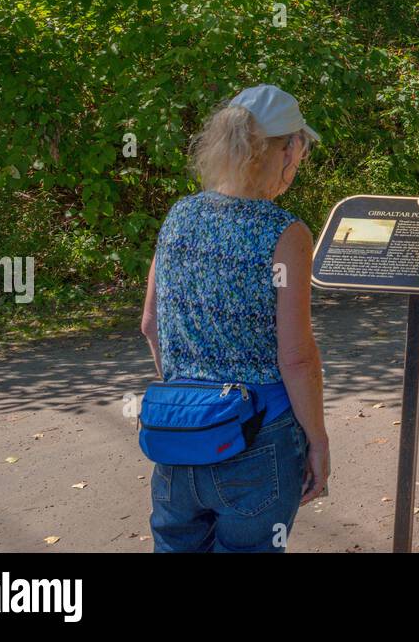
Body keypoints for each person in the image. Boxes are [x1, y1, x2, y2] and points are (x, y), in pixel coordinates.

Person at [140, 84, 330, 552]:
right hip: (257, 442)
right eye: (300, 148)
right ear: (287, 148)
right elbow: (297, 359)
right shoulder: (285, 233)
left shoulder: (180, 215)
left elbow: (150, 324)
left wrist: (193, 402)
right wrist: (319, 441)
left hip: (176, 435)